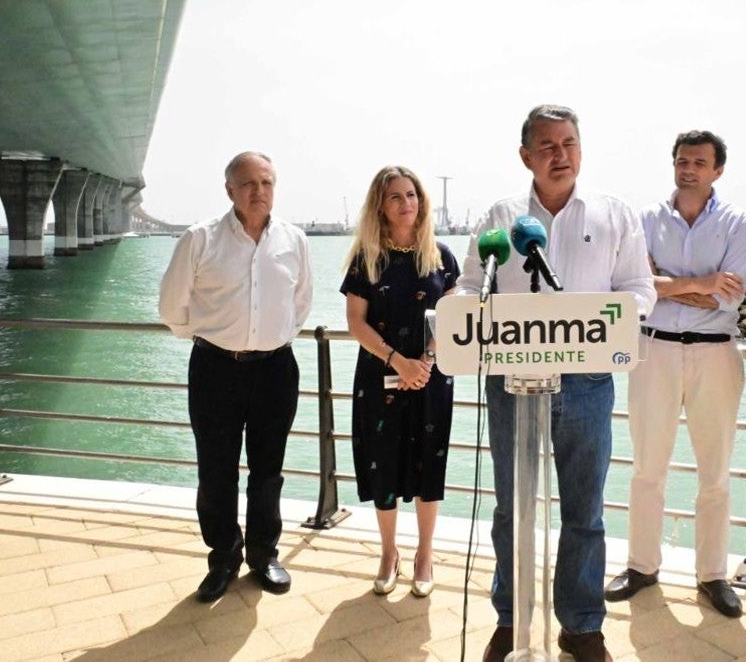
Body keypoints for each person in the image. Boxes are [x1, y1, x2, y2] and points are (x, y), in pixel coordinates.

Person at [457, 104, 655, 662]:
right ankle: (509, 619)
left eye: (569, 143)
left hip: (588, 381)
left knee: (584, 509)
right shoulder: (500, 217)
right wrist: (456, 313)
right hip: (509, 382)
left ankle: (581, 625)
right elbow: (473, 286)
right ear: (525, 156)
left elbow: (640, 288)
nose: (560, 154)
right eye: (547, 146)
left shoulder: (614, 214)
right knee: (508, 509)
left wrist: (615, 316)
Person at [603, 130, 746, 618]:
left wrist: (670, 286)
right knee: (647, 467)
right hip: (654, 351)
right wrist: (696, 283)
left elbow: (726, 296)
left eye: (699, 162)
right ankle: (642, 566)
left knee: (716, 472)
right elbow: (636, 286)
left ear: (717, 170)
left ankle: (712, 575)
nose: (688, 168)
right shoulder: (644, 219)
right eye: (682, 160)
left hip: (715, 354)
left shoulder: (736, 222)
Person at [158, 151, 313, 602]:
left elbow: (301, 303)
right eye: (248, 184)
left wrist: (269, 338)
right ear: (229, 190)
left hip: (275, 370)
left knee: (268, 471)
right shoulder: (200, 238)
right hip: (214, 370)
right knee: (216, 471)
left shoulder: (294, 239)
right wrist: (212, 340)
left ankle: (264, 553)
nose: (258, 191)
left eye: (266, 182)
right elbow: (172, 307)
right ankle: (223, 556)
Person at [340, 165, 460, 598]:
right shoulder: (366, 259)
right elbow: (355, 323)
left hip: (431, 376)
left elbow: (452, 319)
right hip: (379, 374)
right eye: (395, 196)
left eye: (411, 195)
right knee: (383, 462)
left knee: (430, 463)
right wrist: (397, 362)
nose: (406, 203)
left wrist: (422, 364)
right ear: (380, 206)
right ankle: (388, 552)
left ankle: (424, 555)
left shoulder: (441, 257)